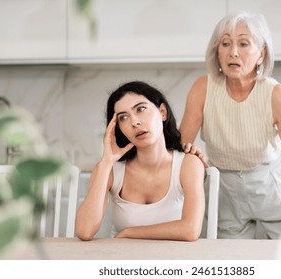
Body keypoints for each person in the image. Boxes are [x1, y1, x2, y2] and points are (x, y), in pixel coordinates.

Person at [179, 11, 281, 239]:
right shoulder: (203, 88)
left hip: (272, 186)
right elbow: (181, 148)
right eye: (225, 43)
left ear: (261, 54)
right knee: (231, 265)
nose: (233, 52)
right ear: (217, 51)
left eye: (243, 44)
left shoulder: (275, 94)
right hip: (226, 191)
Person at [75, 81, 205, 241]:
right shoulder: (110, 170)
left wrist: (130, 232)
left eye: (141, 109)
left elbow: (190, 230)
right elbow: (84, 231)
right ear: (118, 128)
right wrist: (106, 161)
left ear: (162, 112)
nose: (134, 122)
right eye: (123, 117)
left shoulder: (188, 164)